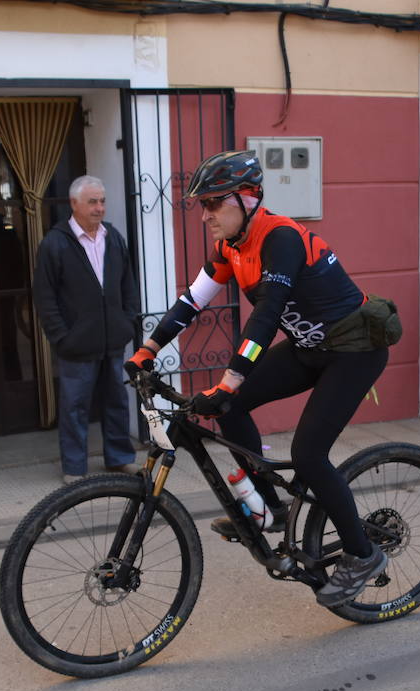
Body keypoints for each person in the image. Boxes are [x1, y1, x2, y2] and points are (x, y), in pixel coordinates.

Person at [124, 150, 392, 608]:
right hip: (311, 348)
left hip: (354, 352)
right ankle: (269, 507)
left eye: (214, 204)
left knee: (308, 453)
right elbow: (192, 301)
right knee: (232, 406)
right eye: (202, 206)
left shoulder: (280, 237)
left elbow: (266, 316)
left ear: (247, 199)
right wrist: (150, 347)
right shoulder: (231, 246)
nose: (206, 215)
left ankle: (362, 555)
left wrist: (231, 377)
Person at [32, 175, 142, 484]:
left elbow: (127, 285)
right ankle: (74, 467)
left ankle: (119, 458)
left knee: (117, 401)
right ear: (74, 204)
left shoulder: (113, 238)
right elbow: (45, 296)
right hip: (77, 343)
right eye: (92, 202)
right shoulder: (55, 243)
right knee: (75, 407)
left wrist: (127, 321)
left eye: (102, 201)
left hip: (113, 339)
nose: (99, 208)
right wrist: (62, 337)